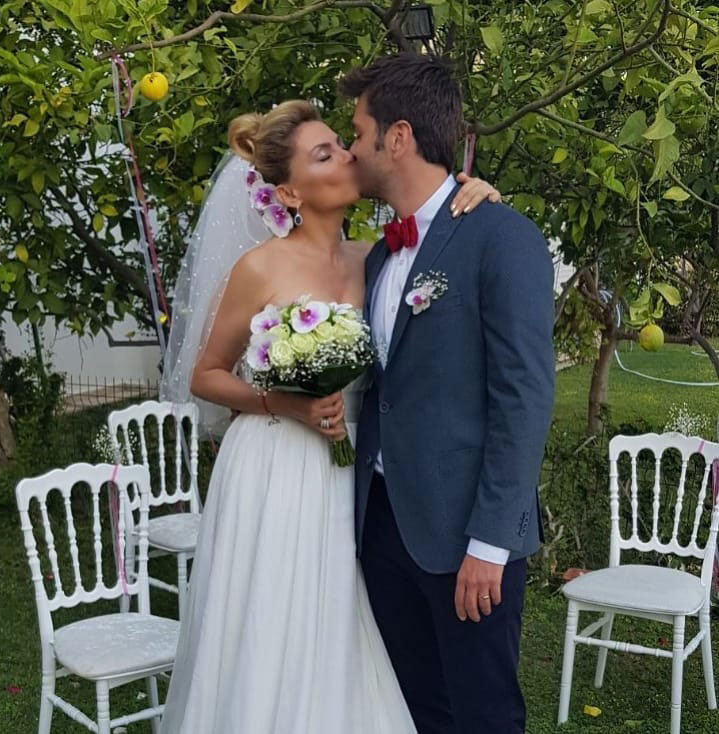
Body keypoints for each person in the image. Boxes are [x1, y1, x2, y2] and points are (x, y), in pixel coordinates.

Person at [157, 97, 500, 733]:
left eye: (341, 144)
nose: (345, 156)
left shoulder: (376, 259)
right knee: (271, 621)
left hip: (350, 473)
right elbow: (205, 375)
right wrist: (283, 403)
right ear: (289, 192)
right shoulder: (259, 268)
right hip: (274, 468)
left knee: (339, 620)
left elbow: (451, 251)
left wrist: (475, 196)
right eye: (324, 155)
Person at [340, 53, 556, 734]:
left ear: (398, 137)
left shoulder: (501, 237)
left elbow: (524, 399)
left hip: (466, 536)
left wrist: (489, 545)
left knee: (483, 714)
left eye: (357, 132)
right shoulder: (380, 254)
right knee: (415, 710)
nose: (351, 148)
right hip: (382, 525)